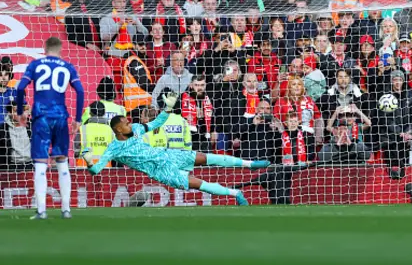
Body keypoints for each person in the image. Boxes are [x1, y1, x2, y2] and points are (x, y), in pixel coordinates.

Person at [81, 91, 271, 206]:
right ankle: (236, 194)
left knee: (207, 157)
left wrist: (168, 108)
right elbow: (96, 170)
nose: (130, 124)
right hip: (160, 170)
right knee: (197, 183)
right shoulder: (114, 149)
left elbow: (156, 123)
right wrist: (90, 161)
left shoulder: (137, 129)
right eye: (126, 124)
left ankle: (251, 164)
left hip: (168, 154)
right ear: (118, 129)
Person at [16, 37, 84, 219]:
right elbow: (80, 91)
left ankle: (41, 211)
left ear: (44, 47)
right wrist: (77, 119)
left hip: (41, 117)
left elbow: (20, 88)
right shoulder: (67, 66)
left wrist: (20, 111)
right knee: (62, 161)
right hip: (61, 117)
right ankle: (66, 210)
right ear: (60, 49)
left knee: (40, 163)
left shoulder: (35, 65)